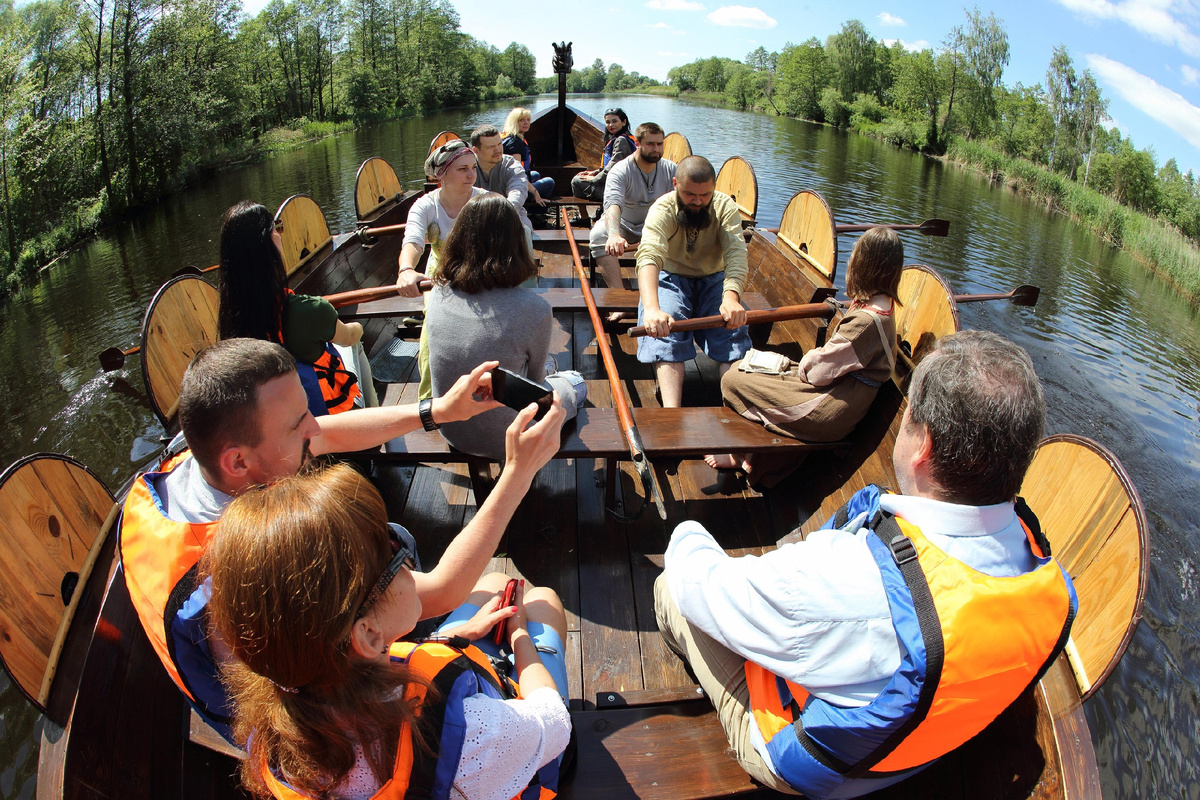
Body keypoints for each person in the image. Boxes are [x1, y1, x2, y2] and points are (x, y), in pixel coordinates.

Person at [655, 330, 1078, 799]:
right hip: (915, 750)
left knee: (672, 586)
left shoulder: (848, 578)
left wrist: (687, 536)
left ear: (924, 447)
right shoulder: (1045, 578)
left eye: (910, 417)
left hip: (818, 771)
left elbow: (701, 586)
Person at [119, 336, 566, 744]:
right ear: (238, 461)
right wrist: (517, 474)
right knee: (530, 598)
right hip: (338, 732)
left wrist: (437, 411)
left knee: (487, 588)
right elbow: (443, 590)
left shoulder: (194, 462)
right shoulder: (263, 562)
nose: (316, 428)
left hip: (312, 673)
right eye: (298, 425)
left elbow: (327, 432)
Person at [204, 462, 572, 800]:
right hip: (506, 746)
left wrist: (450, 640)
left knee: (493, 581)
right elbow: (554, 724)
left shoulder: (275, 729)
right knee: (544, 602)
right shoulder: (465, 733)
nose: (411, 564)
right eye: (394, 557)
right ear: (366, 635)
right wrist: (521, 638)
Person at [707, 227, 904, 475]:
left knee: (733, 379)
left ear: (864, 265)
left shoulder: (866, 322)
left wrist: (809, 358)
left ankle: (741, 456)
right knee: (746, 367)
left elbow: (817, 374)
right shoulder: (884, 305)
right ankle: (748, 453)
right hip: (840, 394)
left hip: (830, 410)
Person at [426, 193, 586, 460]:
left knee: (525, 364)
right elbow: (534, 385)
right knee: (576, 382)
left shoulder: (438, 294)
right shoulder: (535, 308)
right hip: (512, 437)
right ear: (516, 243)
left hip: (452, 430)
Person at [218, 201, 376, 414]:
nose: (279, 233)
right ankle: (375, 432)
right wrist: (358, 327)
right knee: (352, 344)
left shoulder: (231, 322)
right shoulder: (308, 310)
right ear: (267, 245)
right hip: (329, 426)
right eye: (276, 227)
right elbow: (349, 336)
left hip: (279, 425)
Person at [636, 155, 751, 408]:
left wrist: (731, 297)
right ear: (675, 183)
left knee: (732, 330)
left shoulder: (725, 207)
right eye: (690, 194)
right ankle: (671, 413)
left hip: (714, 278)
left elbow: (736, 253)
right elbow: (649, 256)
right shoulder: (662, 208)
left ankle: (736, 413)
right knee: (666, 330)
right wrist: (653, 309)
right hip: (672, 276)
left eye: (705, 195)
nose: (698, 201)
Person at [396, 139, 488, 400]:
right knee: (432, 336)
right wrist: (406, 270)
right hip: (441, 276)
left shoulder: (487, 201)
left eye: (473, 167)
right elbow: (413, 241)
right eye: (462, 169)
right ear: (442, 175)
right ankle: (431, 400)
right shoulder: (425, 206)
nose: (471, 175)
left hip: (482, 273)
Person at [588, 121, 674, 293]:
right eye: (650, 144)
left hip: (656, 226)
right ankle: (619, 296)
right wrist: (613, 235)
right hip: (624, 224)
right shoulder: (620, 170)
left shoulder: (671, 169)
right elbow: (613, 204)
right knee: (598, 236)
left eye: (659, 144)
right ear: (637, 143)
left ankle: (665, 292)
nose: (656, 149)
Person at [470, 124, 533, 252]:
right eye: (491, 147)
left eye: (499, 144)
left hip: (511, 215)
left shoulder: (510, 164)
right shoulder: (467, 168)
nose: (498, 149)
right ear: (476, 150)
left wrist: (499, 217)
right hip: (475, 218)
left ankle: (527, 271)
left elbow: (518, 192)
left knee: (524, 232)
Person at [570, 107, 636, 201]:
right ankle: (600, 209)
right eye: (608, 122)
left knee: (576, 181)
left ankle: (584, 215)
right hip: (615, 184)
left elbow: (613, 166)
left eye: (614, 121)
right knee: (581, 176)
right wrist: (595, 172)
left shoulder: (621, 141)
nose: (611, 125)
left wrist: (594, 179)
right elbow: (608, 165)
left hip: (618, 191)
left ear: (624, 122)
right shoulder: (621, 138)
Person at [501, 107, 554, 205]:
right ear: (514, 122)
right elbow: (517, 174)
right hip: (513, 188)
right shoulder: (515, 143)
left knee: (536, 174)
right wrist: (535, 192)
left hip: (505, 181)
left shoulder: (507, 137)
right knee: (550, 182)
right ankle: (536, 210)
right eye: (521, 120)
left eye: (528, 120)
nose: (526, 123)